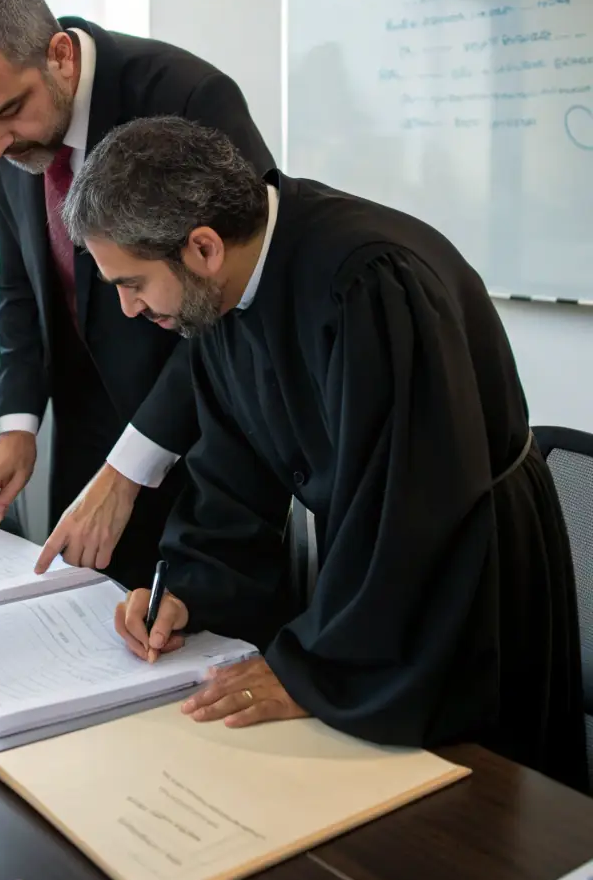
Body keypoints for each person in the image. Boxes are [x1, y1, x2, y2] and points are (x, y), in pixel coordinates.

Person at [62, 116, 586, 790]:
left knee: (470, 817)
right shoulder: (216, 295)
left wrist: (311, 671)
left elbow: (408, 511)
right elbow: (230, 472)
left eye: (131, 283)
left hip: (461, 567)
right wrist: (187, 591)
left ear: (203, 246)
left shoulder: (369, 282)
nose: (128, 307)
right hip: (380, 564)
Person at [0, 0, 273, 588]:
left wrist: (132, 465)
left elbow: (237, 297)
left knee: (196, 626)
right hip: (84, 433)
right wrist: (18, 426)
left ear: (60, 55)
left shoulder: (190, 97)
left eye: (7, 113)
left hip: (202, 436)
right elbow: (21, 282)